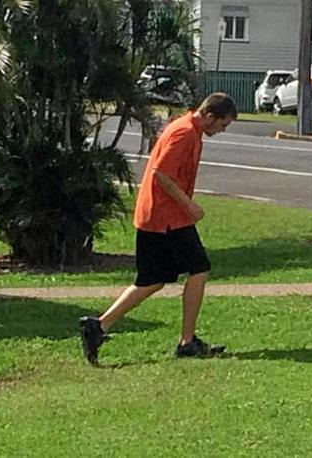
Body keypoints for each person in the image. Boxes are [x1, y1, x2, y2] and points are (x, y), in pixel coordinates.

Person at [79, 92, 238, 365]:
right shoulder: (185, 132)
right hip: (165, 218)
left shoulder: (187, 128)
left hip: (162, 217)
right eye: (222, 125)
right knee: (198, 268)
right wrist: (190, 206)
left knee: (152, 280)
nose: (221, 131)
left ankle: (99, 326)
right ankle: (186, 342)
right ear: (210, 116)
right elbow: (161, 174)